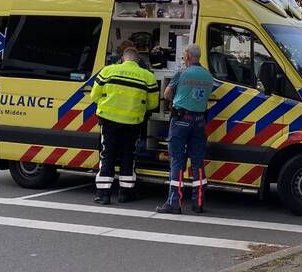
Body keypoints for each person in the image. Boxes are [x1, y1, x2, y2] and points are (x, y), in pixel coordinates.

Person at [90, 47, 159, 204]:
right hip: (132, 123)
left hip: (108, 121)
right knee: (128, 155)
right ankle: (125, 193)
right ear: (138, 61)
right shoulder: (148, 77)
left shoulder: (107, 71)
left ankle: (103, 195)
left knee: (107, 154)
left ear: (122, 59)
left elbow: (94, 96)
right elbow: (153, 103)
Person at [158, 44, 216, 215]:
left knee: (177, 160)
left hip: (181, 120)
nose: (183, 59)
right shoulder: (208, 76)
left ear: (189, 57)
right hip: (199, 121)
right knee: (198, 162)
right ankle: (198, 203)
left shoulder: (182, 73)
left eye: (184, 57)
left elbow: (167, 94)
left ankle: (174, 203)